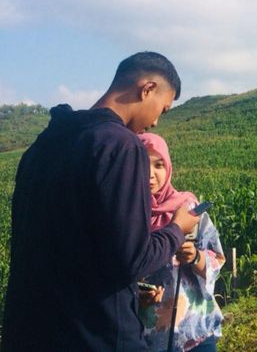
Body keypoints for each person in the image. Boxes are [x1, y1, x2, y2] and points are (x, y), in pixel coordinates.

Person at [2, 52, 200, 351]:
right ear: (146, 89)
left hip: (30, 331)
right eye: (163, 108)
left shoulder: (44, 145)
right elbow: (133, 261)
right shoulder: (119, 144)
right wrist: (177, 229)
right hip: (95, 335)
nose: (157, 121)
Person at [137, 132, 225, 352]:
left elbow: (216, 257)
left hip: (194, 332)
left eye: (159, 165)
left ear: (168, 168)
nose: (150, 174)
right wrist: (136, 295)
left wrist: (196, 257)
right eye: (141, 164)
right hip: (148, 338)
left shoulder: (188, 209)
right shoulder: (128, 217)